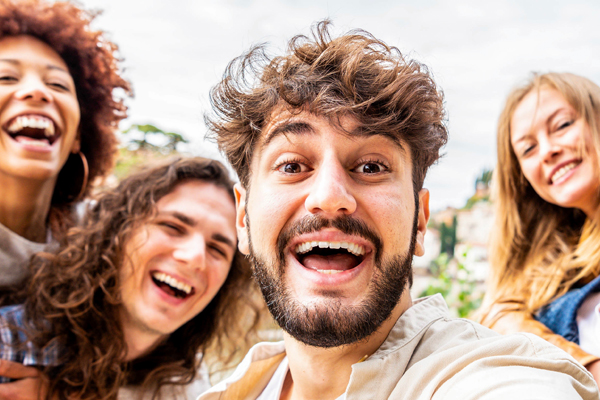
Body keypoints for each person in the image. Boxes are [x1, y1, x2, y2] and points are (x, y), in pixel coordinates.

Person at [198, 22, 599, 400]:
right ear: (242, 218)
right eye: (292, 166)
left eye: (371, 167)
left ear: (421, 221)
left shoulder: (487, 378)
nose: (330, 196)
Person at [0, 157, 260, 399]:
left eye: (217, 249)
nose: (195, 257)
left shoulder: (192, 388)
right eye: (172, 227)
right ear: (118, 231)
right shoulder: (11, 344)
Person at [0, 0, 131, 299]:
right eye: (5, 77)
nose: (38, 91)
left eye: (58, 85)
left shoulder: (102, 239)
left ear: (78, 136)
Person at [477, 72, 600, 384]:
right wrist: (586, 366)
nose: (548, 150)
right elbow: (498, 313)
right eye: (528, 149)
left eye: (562, 125)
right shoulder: (561, 264)